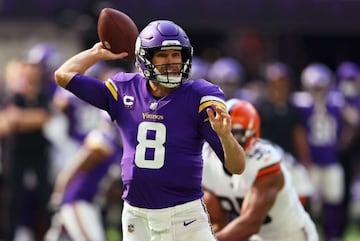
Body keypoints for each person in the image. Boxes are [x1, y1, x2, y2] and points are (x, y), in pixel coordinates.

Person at [53, 19, 246, 241]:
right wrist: (96, 53)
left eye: (177, 54)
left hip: (184, 216)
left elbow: (237, 166)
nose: (172, 61)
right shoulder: (125, 90)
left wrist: (225, 136)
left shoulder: (198, 96)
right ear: (145, 57)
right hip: (136, 216)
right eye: (163, 55)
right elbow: (63, 75)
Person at [202, 99, 318, 241]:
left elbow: (250, 223)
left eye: (234, 134)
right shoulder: (206, 158)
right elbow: (217, 221)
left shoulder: (264, 160)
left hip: (291, 235)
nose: (227, 138)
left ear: (252, 134)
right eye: (222, 131)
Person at [45, 113, 123, 241]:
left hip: (91, 202)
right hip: (77, 200)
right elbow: (73, 168)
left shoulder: (118, 148)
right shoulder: (104, 142)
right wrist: (58, 195)